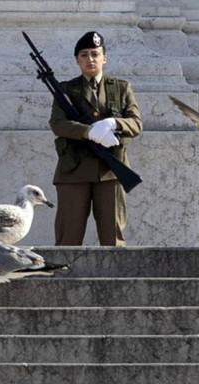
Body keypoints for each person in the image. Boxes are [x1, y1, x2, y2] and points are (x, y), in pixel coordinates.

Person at [48, 31, 142, 246]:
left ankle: (115, 280)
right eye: (84, 55)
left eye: (95, 54)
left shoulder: (121, 88)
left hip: (110, 171)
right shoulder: (65, 90)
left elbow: (136, 123)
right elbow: (58, 124)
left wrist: (114, 123)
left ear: (104, 57)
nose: (90, 59)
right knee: (68, 237)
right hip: (73, 170)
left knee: (113, 238)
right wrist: (87, 132)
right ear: (77, 60)